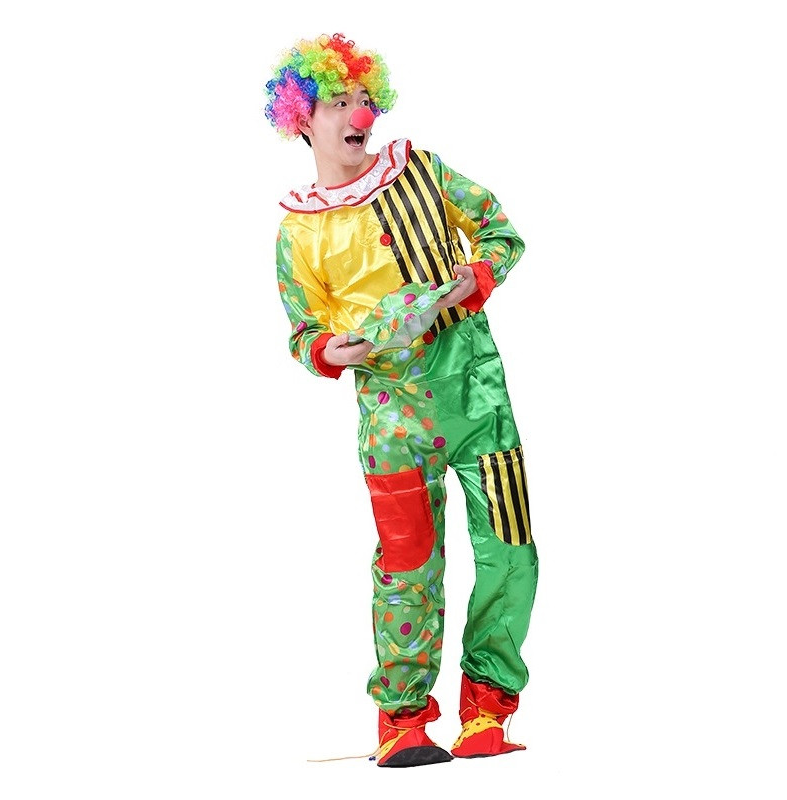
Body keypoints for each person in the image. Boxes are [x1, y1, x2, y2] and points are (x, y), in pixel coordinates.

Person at [265, 32, 539, 768]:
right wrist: (336, 350)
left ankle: (488, 710)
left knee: (511, 553)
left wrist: (474, 278)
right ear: (302, 119)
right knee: (406, 567)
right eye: (338, 102)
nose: (359, 113)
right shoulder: (299, 230)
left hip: (480, 399)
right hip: (391, 421)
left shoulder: (420, 170)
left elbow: (499, 231)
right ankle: (403, 720)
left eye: (365, 99)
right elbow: (304, 332)